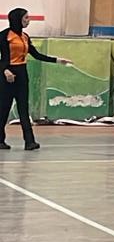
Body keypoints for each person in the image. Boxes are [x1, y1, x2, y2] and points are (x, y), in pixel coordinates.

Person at [0, 9, 71, 150]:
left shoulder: (25, 37)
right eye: (26, 18)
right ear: (17, 19)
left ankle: (29, 141)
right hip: (7, 75)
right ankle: (0, 140)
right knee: (3, 109)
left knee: (23, 109)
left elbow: (36, 55)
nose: (28, 20)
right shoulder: (4, 36)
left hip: (21, 74)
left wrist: (57, 60)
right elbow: (3, 59)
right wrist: (5, 70)